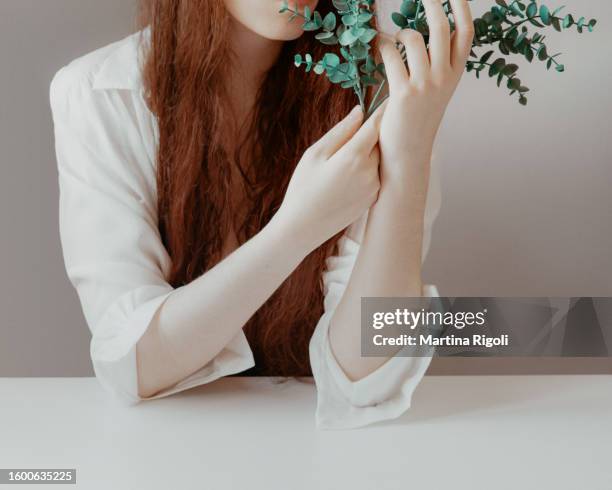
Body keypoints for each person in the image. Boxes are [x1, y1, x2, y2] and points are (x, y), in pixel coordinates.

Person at [50, 0, 474, 429]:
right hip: (166, 445)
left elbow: (367, 379)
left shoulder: (383, 87)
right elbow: (134, 366)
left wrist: (410, 153)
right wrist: (297, 228)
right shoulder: (99, 94)